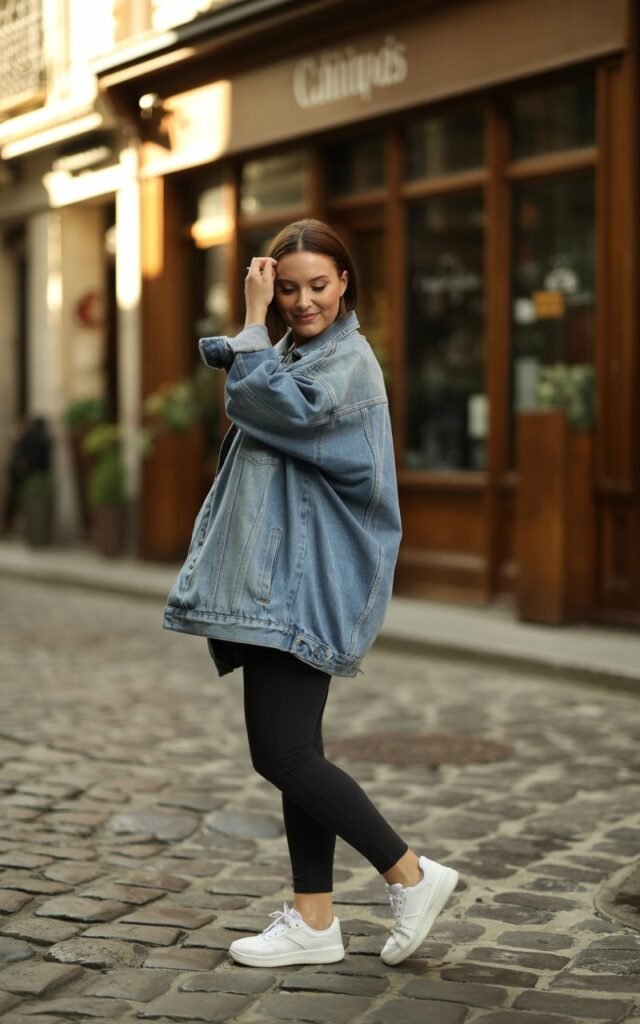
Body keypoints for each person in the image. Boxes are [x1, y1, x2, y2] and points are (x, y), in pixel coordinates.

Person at [163, 219, 458, 967]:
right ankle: (315, 920)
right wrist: (259, 337)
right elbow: (257, 393)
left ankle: (410, 874)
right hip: (283, 582)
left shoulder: (346, 364)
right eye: (287, 288)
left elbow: (270, 408)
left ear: (345, 283)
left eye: (317, 286)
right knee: (299, 751)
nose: (301, 301)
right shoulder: (301, 354)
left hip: (303, 586)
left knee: (284, 754)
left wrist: (251, 325)